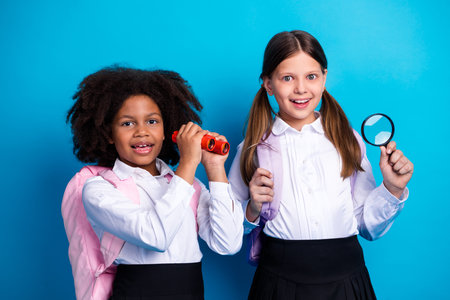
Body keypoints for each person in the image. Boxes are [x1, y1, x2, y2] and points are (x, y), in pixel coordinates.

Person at [228, 30, 414, 300]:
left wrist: (392, 189)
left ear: (324, 78)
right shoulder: (252, 149)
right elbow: (228, 230)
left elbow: (367, 226)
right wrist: (252, 209)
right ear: (268, 84)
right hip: (278, 281)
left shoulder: (347, 141)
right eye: (287, 78)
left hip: (346, 280)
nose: (301, 88)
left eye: (311, 77)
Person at [66, 66, 243, 300]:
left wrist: (214, 168)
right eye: (127, 123)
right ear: (109, 134)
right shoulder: (99, 189)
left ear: (165, 131)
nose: (142, 132)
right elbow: (156, 237)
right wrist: (189, 163)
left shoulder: (189, 186)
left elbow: (228, 243)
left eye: (152, 121)